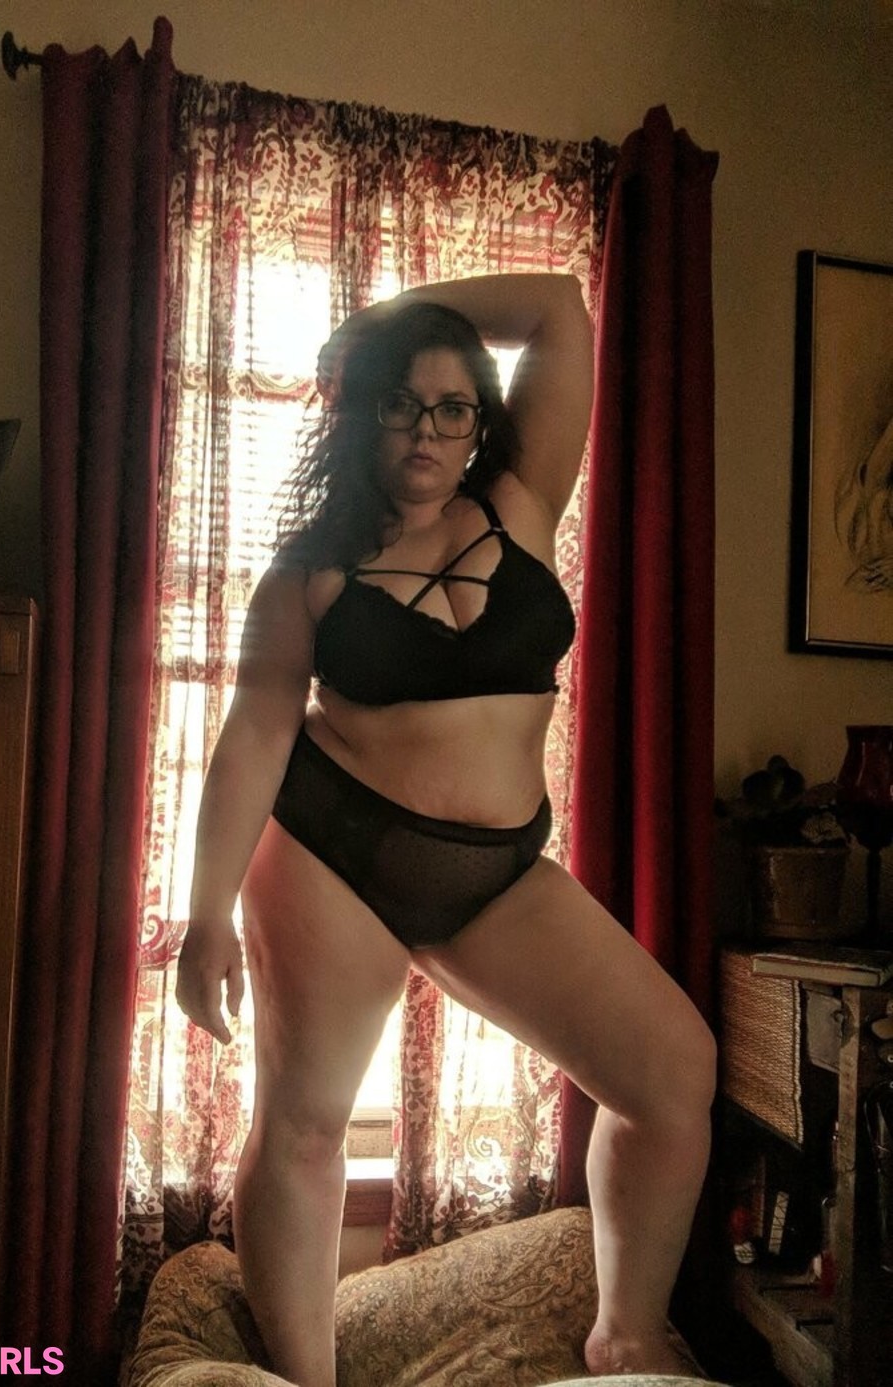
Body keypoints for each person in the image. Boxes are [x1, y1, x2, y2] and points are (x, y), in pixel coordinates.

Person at [176, 274, 716, 1386]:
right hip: (336, 850)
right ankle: (307, 1377)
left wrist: (382, 323)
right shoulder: (308, 573)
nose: (426, 430)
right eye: (399, 403)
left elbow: (560, 307)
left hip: (496, 873)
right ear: (362, 414)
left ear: (480, 422)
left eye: (452, 406)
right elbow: (254, 736)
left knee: (673, 1075)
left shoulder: (522, 499)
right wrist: (205, 914)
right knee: (306, 1125)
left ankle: (626, 1333)